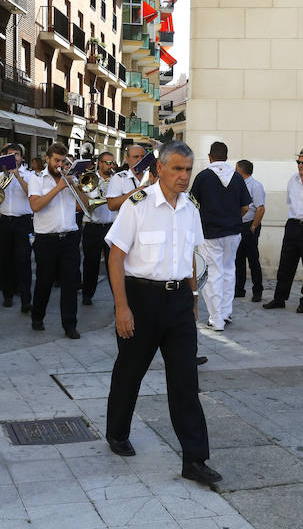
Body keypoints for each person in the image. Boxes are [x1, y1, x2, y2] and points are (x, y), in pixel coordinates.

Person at [103, 140, 220, 485]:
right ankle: (117, 432)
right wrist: (121, 306)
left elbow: (189, 257)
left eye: (188, 169)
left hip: (179, 302)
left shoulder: (191, 208)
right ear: (160, 170)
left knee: (186, 381)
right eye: (178, 169)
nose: (184, 176)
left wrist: (194, 295)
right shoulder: (137, 206)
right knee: (130, 371)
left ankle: (195, 459)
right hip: (141, 299)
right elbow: (116, 257)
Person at [191, 142, 251, 331]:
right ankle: (225, 313)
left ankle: (216, 319)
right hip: (233, 232)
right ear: (226, 156)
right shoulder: (237, 177)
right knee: (228, 272)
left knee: (212, 275)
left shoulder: (203, 176)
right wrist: (232, 219)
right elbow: (246, 207)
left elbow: (192, 205)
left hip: (210, 233)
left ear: (210, 156)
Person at [263, 147, 303, 313]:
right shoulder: (293, 180)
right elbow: (290, 203)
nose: (300, 165)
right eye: (298, 162)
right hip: (292, 224)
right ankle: (279, 298)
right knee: (286, 264)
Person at [28, 142, 83, 339]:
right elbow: (35, 205)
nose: (60, 164)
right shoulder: (37, 179)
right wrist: (59, 188)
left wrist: (76, 187)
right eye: (57, 161)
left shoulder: (70, 179)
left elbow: (83, 207)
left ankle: (70, 325)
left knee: (70, 283)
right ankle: (37, 316)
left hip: (69, 237)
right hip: (46, 239)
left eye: (63, 161)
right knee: (45, 281)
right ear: (48, 160)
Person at [0, 143, 34, 311]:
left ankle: (26, 299)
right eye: (10, 154)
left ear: (22, 158)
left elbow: (31, 194)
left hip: (22, 221)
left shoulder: (30, 175)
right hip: (2, 220)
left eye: (16, 154)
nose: (13, 158)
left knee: (23, 261)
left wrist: (18, 176)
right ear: (3, 156)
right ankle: (7, 295)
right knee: (4, 260)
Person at [81, 152, 117, 305]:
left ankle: (117, 297)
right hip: (93, 225)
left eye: (112, 163)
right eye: (107, 163)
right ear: (100, 163)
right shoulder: (89, 178)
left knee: (113, 264)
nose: (110, 166)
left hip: (111, 226)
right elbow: (84, 200)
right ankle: (87, 294)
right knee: (91, 262)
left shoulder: (117, 180)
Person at [234, 159, 265, 302]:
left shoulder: (256, 186)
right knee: (238, 259)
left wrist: (254, 226)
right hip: (239, 225)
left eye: (236, 169)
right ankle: (239, 289)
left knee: (253, 259)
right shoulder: (237, 185)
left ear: (241, 171)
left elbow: (260, 208)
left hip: (250, 225)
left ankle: (257, 290)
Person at [106, 144, 148, 211]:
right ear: (127, 159)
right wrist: (136, 193)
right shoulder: (119, 178)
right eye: (136, 157)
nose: (140, 159)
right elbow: (112, 206)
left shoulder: (151, 175)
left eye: (143, 157)